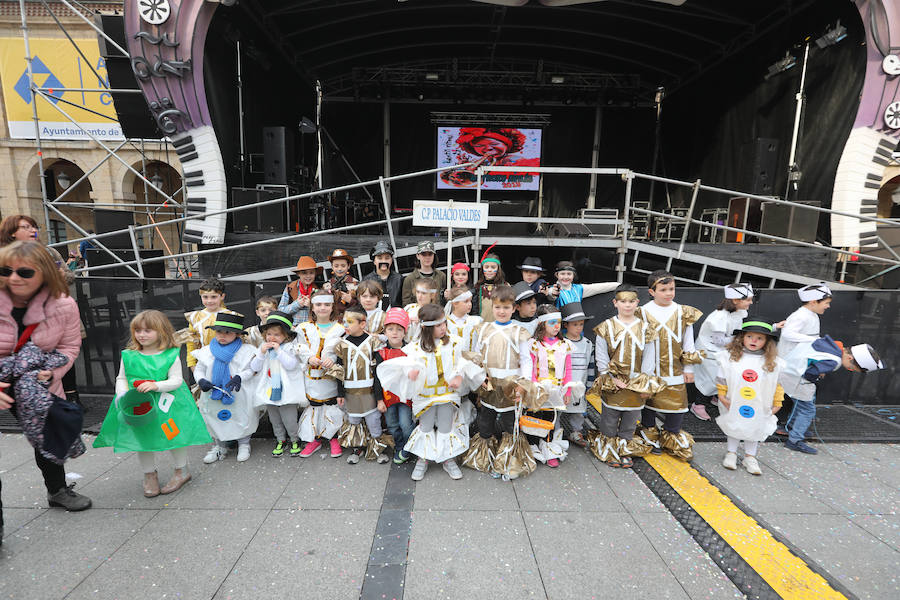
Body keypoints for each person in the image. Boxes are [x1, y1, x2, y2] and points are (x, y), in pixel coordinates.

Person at [0, 241, 90, 513]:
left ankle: (57, 490)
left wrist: (52, 373)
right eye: (6, 270)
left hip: (38, 383)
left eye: (25, 272)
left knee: (49, 433)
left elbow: (69, 347)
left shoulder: (64, 305)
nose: (14, 278)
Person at [93, 310, 210, 496]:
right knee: (143, 438)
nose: (141, 335)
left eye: (148, 330)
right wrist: (121, 395)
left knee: (173, 436)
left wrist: (155, 385)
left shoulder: (170, 354)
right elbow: (121, 378)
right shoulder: (129, 355)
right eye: (138, 330)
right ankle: (149, 474)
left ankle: (182, 470)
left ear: (161, 331)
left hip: (168, 405)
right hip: (139, 405)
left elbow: (177, 380)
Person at [378, 304, 483, 481]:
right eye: (439, 325)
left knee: (445, 427)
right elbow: (407, 366)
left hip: (446, 393)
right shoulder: (415, 348)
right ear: (427, 327)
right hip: (425, 396)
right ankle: (423, 459)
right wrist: (410, 373)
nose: (444, 328)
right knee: (425, 427)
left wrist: (458, 376)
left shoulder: (455, 343)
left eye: (444, 323)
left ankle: (447, 458)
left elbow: (461, 363)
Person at [462, 284, 537, 479]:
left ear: (514, 308)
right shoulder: (485, 329)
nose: (501, 311)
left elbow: (526, 360)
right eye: (497, 307)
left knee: (509, 423)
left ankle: (508, 461)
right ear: (492, 306)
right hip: (489, 385)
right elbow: (478, 356)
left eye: (506, 308)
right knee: (485, 421)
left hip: (510, 387)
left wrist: (523, 384)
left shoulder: (518, 331)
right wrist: (480, 377)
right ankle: (484, 457)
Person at [586, 285, 662, 467]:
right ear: (615, 303)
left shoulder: (646, 328)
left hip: (636, 382)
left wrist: (643, 380)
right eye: (623, 301)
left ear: (637, 303)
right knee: (610, 417)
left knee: (631, 418)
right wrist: (610, 378)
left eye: (631, 301)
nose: (627, 305)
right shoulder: (606, 327)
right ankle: (609, 447)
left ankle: (624, 446)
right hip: (613, 381)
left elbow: (650, 356)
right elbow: (601, 356)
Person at [637, 270, 704, 461]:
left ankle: (672, 435)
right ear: (652, 291)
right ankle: (649, 435)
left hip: (675, 368)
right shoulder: (641, 312)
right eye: (663, 289)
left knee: (677, 405)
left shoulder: (683, 312)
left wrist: (689, 368)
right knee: (648, 402)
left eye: (672, 289)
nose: (669, 293)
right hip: (650, 369)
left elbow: (688, 342)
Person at [780, 337, 883, 454]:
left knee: (802, 406)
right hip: (794, 376)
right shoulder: (835, 361)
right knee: (807, 410)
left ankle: (793, 429)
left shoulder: (834, 346)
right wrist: (817, 376)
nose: (850, 369)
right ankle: (794, 440)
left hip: (789, 368)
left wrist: (819, 369)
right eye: (852, 368)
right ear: (850, 358)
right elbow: (810, 373)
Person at [715, 320, 784, 475]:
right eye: (750, 336)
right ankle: (731, 453)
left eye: (759, 338)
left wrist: (777, 401)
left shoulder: (773, 362)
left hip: (760, 402)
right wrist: (721, 395)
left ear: (767, 342)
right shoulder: (729, 357)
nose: (754, 340)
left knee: (755, 427)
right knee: (734, 424)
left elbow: (778, 383)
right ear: (742, 338)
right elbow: (722, 377)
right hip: (733, 399)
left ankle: (750, 457)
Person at [193, 313, 258, 463]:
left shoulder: (246, 350)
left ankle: (243, 444)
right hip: (212, 390)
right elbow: (199, 369)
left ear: (237, 334)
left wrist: (239, 377)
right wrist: (201, 380)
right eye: (219, 332)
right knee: (214, 416)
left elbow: (251, 370)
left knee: (241, 415)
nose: (222, 335)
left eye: (227, 332)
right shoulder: (207, 350)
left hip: (238, 391)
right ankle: (219, 446)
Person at [333, 306, 391, 464]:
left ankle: (377, 449)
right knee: (354, 421)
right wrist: (339, 394)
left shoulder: (373, 343)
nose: (346, 324)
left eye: (350, 321)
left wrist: (380, 399)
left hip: (370, 393)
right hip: (351, 393)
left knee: (374, 421)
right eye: (344, 321)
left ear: (362, 324)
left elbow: (379, 372)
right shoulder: (341, 344)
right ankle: (356, 448)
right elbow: (339, 371)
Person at [526, 305, 581, 468]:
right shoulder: (534, 344)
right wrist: (534, 386)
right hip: (538, 390)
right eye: (552, 323)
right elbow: (530, 366)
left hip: (556, 391)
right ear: (542, 324)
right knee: (533, 420)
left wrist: (568, 389)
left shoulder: (565, 345)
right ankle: (532, 448)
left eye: (558, 322)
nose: (557, 326)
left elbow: (568, 369)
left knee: (551, 420)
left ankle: (549, 449)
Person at [691, 283, 755, 421]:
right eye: (748, 299)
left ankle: (715, 397)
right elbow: (719, 340)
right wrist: (741, 338)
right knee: (712, 378)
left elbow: (743, 326)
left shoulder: (739, 312)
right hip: (710, 351)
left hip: (724, 350)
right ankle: (698, 404)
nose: (751, 302)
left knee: (725, 377)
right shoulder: (719, 317)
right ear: (736, 300)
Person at [776, 283, 832, 436]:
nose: (828, 306)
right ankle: (791, 429)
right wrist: (814, 341)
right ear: (813, 302)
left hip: (800, 364)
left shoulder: (812, 315)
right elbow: (788, 333)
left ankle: (794, 428)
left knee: (801, 401)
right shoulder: (800, 315)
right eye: (826, 303)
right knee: (802, 401)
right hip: (791, 366)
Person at [249, 311, 306, 457]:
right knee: (275, 419)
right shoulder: (263, 348)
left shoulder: (288, 348)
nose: (272, 338)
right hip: (269, 389)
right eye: (269, 334)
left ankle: (294, 439)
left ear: (286, 336)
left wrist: (279, 351)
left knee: (289, 419)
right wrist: (261, 354)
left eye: (277, 335)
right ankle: (280, 439)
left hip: (286, 390)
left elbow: (291, 365)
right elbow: (254, 367)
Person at [297, 293, 346, 458]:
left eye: (326, 304)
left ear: (332, 307)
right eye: (318, 305)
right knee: (314, 407)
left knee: (331, 407)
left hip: (330, 379)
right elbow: (298, 348)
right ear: (312, 307)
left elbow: (341, 351)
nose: (322, 308)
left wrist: (331, 360)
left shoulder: (340, 329)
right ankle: (315, 439)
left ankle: (333, 437)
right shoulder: (303, 328)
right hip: (311, 377)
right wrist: (308, 358)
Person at [374, 308, 415, 464]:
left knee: (406, 424)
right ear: (385, 331)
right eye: (390, 329)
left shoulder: (410, 351)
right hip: (387, 397)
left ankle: (409, 446)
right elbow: (377, 379)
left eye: (399, 329)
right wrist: (379, 400)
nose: (395, 333)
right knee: (392, 425)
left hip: (405, 396)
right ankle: (399, 445)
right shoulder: (381, 353)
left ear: (405, 332)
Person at [179, 277, 242, 370]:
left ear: (222, 296)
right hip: (204, 363)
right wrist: (193, 366)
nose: (209, 301)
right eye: (205, 297)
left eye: (213, 297)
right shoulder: (195, 317)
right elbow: (191, 344)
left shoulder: (232, 315)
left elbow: (240, 341)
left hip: (229, 363)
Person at [445, 287, 483, 425]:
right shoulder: (446, 323)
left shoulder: (476, 321)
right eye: (465, 301)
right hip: (452, 368)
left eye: (470, 301)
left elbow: (480, 345)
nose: (470, 304)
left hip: (471, 367)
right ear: (455, 303)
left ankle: (468, 427)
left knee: (469, 397)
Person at [560, 302, 593, 448]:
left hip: (580, 381)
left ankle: (576, 431)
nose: (579, 328)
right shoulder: (561, 342)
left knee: (578, 410)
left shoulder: (587, 343)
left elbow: (591, 364)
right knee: (559, 408)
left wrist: (590, 384)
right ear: (566, 325)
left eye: (581, 324)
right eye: (575, 325)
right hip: (563, 383)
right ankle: (555, 431)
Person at [547, 261, 618, 309]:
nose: (566, 277)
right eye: (562, 274)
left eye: (569, 274)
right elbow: (551, 294)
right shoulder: (553, 289)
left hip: (576, 326)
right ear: (557, 275)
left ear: (573, 275)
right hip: (558, 326)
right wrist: (551, 293)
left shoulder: (579, 289)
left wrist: (620, 285)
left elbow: (599, 287)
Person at [279, 256, 322, 327]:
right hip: (294, 328)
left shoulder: (319, 289)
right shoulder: (290, 288)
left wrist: (311, 306)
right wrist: (297, 304)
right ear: (298, 274)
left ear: (315, 273)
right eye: (304, 273)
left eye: (311, 273)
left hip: (313, 327)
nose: (308, 276)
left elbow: (324, 312)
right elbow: (280, 311)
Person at [401, 240, 446, 306]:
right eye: (424, 254)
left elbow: (445, 301)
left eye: (430, 254)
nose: (427, 257)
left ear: (434, 255)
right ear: (418, 256)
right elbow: (406, 304)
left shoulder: (441, 276)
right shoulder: (409, 279)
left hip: (437, 313)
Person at [362, 241, 402, 309]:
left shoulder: (399, 279)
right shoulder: (366, 280)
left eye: (387, 258)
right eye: (380, 258)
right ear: (374, 261)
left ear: (391, 260)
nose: (383, 261)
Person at [473, 251, 507, 321]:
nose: (489, 270)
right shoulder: (477, 287)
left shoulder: (505, 287)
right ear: (482, 269)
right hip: (482, 327)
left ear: (498, 269)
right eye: (486, 267)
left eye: (493, 267)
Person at [325, 248, 358, 317]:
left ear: (348, 266)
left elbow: (363, 304)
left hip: (352, 318)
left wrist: (350, 300)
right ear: (332, 267)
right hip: (332, 320)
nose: (339, 269)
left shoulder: (355, 283)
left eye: (343, 266)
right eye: (336, 266)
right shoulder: (327, 285)